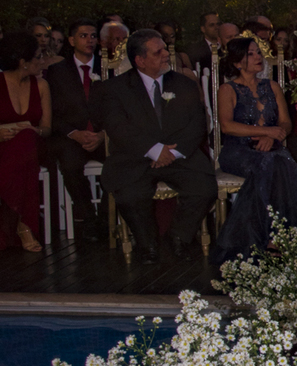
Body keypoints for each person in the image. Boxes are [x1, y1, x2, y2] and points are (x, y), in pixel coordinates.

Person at [100, 28, 217, 260]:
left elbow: (197, 125)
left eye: (164, 49)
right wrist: (154, 151)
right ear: (140, 60)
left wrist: (173, 152)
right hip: (135, 157)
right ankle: (148, 245)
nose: (166, 54)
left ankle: (179, 237)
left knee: (204, 188)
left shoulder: (183, 84)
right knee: (130, 194)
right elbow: (118, 128)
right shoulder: (115, 89)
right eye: (158, 52)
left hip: (178, 155)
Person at [212, 36, 297, 262]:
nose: (259, 57)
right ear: (237, 62)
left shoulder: (272, 86)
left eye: (259, 52)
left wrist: (272, 135)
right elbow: (227, 126)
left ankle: (281, 236)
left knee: (286, 166)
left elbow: (286, 123)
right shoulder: (227, 89)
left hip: (270, 148)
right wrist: (267, 132)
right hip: (238, 150)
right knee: (271, 164)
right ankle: (269, 237)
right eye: (251, 54)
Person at [43, 19, 105, 240]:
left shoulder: (107, 68)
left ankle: (106, 217)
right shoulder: (57, 71)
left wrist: (102, 134)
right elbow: (52, 112)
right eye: (83, 36)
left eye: (93, 36)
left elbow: (118, 108)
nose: (90, 40)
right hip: (71, 137)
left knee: (121, 161)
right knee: (69, 164)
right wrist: (74, 133)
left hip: (103, 135)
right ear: (71, 40)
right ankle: (88, 219)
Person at [0, 32, 51, 253]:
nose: (43, 61)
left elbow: (47, 129)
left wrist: (34, 129)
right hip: (3, 146)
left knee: (26, 138)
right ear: (23, 62)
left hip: (32, 146)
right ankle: (23, 224)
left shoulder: (41, 85)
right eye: (38, 57)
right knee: (22, 147)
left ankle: (17, 222)